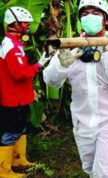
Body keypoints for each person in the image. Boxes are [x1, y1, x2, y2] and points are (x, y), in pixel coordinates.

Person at [43, 0, 108, 177]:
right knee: (91, 170)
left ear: (105, 19)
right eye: (85, 14)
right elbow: (51, 81)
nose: (89, 17)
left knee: (106, 173)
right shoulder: (71, 47)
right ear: (80, 19)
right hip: (82, 122)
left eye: (95, 13)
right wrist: (62, 64)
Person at [0, 6, 50, 177]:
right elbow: (19, 73)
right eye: (25, 24)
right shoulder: (11, 47)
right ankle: (3, 170)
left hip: (20, 96)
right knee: (11, 131)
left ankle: (18, 159)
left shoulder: (15, 44)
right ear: (15, 24)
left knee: (20, 128)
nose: (28, 27)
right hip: (13, 98)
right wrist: (39, 65)